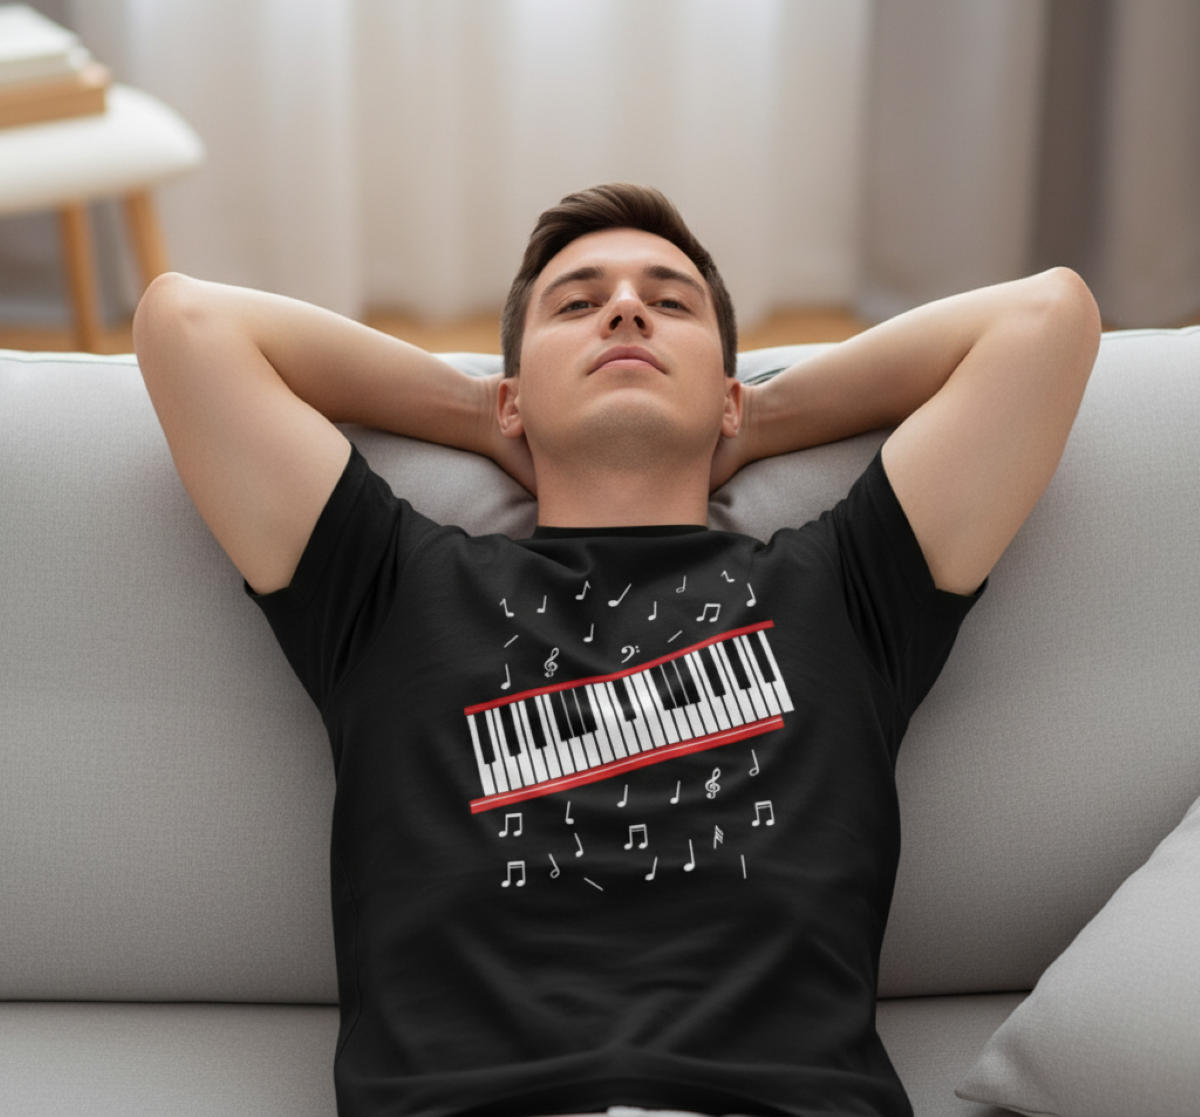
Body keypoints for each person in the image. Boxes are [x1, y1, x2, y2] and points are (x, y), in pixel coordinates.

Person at [133, 183, 1100, 1117]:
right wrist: (475, 408)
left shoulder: (846, 590)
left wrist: (761, 415)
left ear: (726, 392)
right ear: (514, 398)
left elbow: (1046, 320)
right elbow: (187, 327)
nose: (628, 311)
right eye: (579, 303)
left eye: (668, 302)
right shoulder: (390, 589)